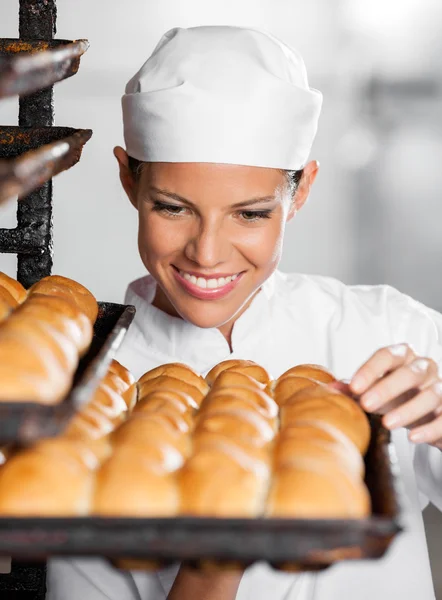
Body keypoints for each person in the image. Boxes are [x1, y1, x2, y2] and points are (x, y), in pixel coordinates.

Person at [47, 25, 442, 600]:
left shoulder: (388, 332)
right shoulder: (78, 398)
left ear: (300, 191)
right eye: (172, 208)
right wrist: (216, 557)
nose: (207, 252)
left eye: (250, 214)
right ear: (129, 180)